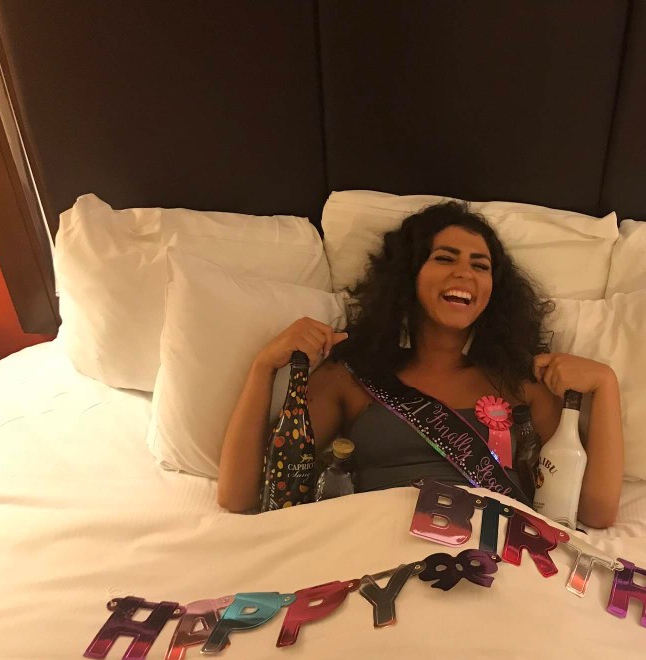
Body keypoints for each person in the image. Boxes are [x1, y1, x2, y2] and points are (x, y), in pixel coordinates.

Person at [217, 201, 623, 527]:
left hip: (495, 564)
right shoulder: (352, 375)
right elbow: (240, 496)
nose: (464, 273)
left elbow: (595, 513)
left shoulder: (520, 380)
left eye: (480, 265)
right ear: (409, 275)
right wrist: (263, 368)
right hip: (379, 559)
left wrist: (606, 386)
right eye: (445, 258)